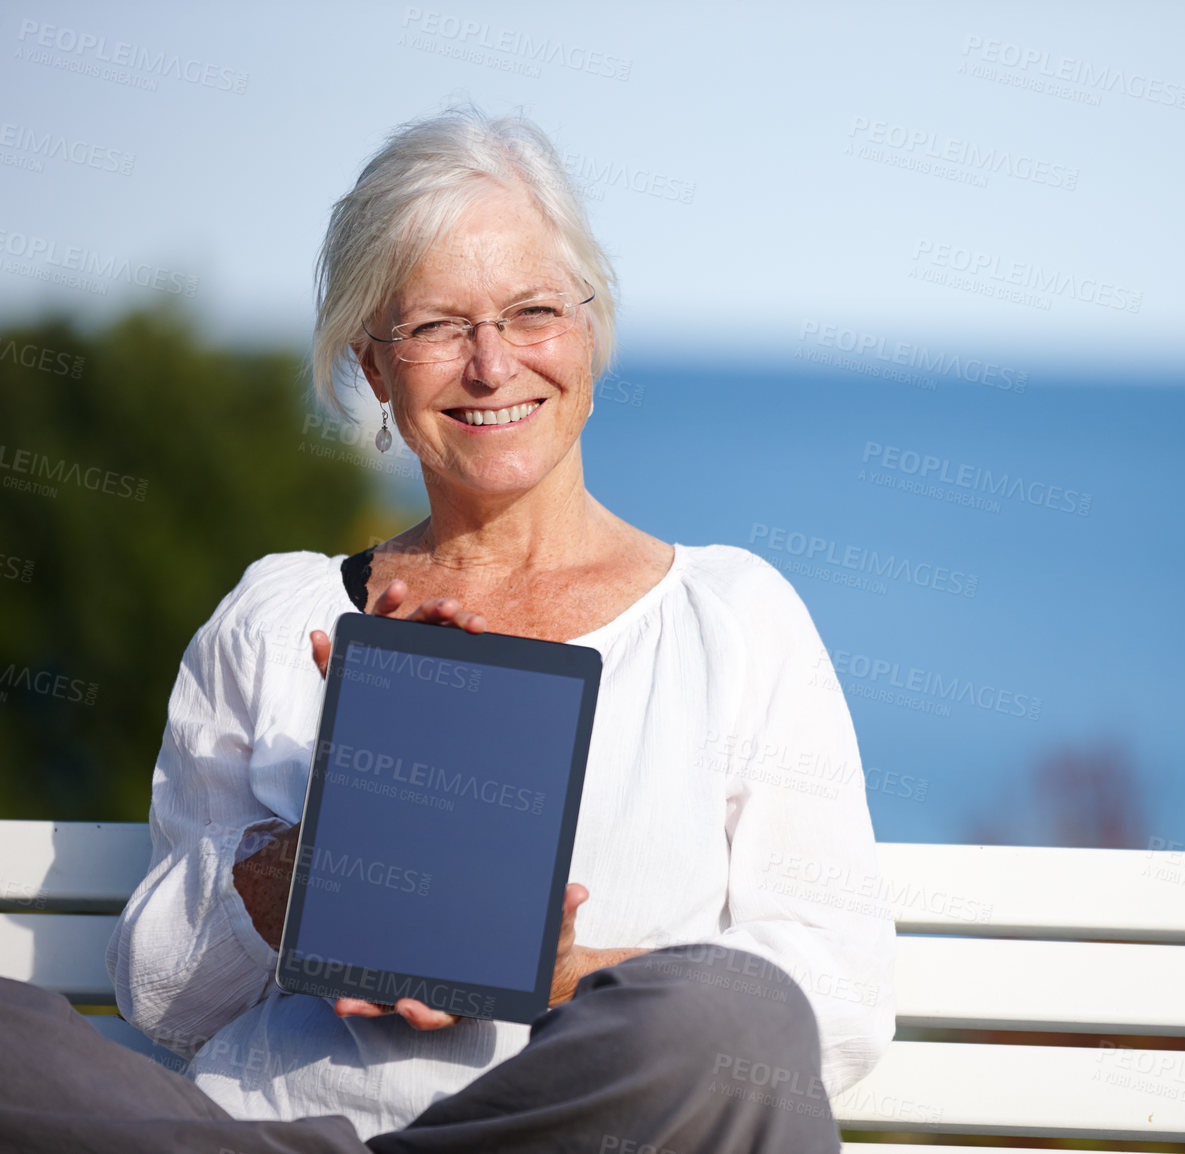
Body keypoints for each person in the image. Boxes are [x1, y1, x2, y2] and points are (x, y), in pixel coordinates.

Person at [0, 108, 893, 1153]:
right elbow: (166, 1002)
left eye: (531, 312)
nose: (490, 363)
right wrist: (305, 859)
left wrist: (563, 971)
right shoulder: (278, 616)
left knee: (735, 1013)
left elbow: (835, 997)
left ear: (588, 332)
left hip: (565, 1136)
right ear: (375, 369)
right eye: (434, 326)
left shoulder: (732, 619)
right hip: (280, 1136)